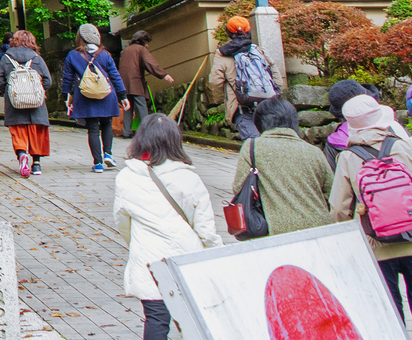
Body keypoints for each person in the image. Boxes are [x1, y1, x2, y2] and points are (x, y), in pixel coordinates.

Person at [331, 94, 412, 340]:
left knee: (389, 313)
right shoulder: (408, 147)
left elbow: (338, 209)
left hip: (377, 245)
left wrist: (346, 244)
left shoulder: (347, 158)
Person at [114, 114, 222, 340]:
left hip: (149, 260)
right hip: (186, 259)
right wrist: (217, 253)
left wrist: (136, 243)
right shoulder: (189, 177)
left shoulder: (127, 176)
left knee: (156, 319)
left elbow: (122, 220)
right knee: (191, 320)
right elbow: (205, 229)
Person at [231, 97, 336, 236]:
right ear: (294, 122)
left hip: (277, 230)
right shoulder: (315, 152)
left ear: (259, 123)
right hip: (320, 228)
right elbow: (331, 193)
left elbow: (239, 187)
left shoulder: (252, 147)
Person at [62, 23, 128, 172]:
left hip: (85, 95)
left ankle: (97, 163)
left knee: (92, 128)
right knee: (107, 124)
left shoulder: (73, 55)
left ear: (80, 38)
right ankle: (108, 154)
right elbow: (115, 76)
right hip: (106, 94)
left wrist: (66, 97)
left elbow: (67, 78)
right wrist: (123, 95)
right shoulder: (105, 54)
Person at [0, 29, 53, 177]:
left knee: (18, 131)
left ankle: (21, 155)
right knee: (36, 131)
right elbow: (48, 81)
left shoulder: (7, 58)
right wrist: (38, 91)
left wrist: (9, 92)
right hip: (36, 105)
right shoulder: (37, 58)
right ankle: (36, 164)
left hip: (15, 103)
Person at [206, 16, 279, 140]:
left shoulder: (222, 54)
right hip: (267, 104)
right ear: (248, 31)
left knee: (253, 145)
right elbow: (275, 75)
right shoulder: (257, 50)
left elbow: (214, 81)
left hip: (240, 106)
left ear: (228, 33)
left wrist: (231, 91)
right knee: (271, 141)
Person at [119, 30, 174, 136]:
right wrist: (164, 75)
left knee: (128, 107)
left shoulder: (125, 51)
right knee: (141, 106)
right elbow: (150, 64)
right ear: (143, 41)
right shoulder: (141, 49)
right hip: (135, 81)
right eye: (147, 42)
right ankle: (146, 132)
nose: (148, 45)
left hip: (124, 82)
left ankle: (126, 132)